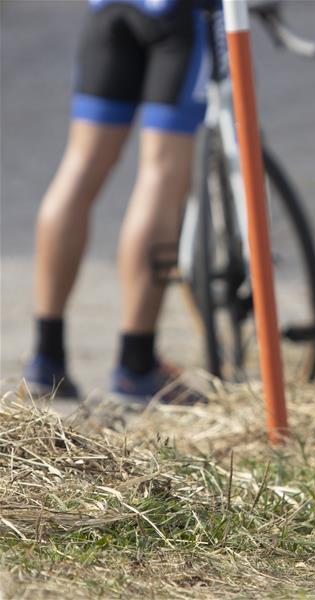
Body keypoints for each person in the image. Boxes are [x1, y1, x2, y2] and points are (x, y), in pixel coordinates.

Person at [24, 0, 211, 402]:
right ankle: (136, 364)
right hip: (179, 14)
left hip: (109, 10)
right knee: (161, 173)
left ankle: (45, 357)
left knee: (79, 166)